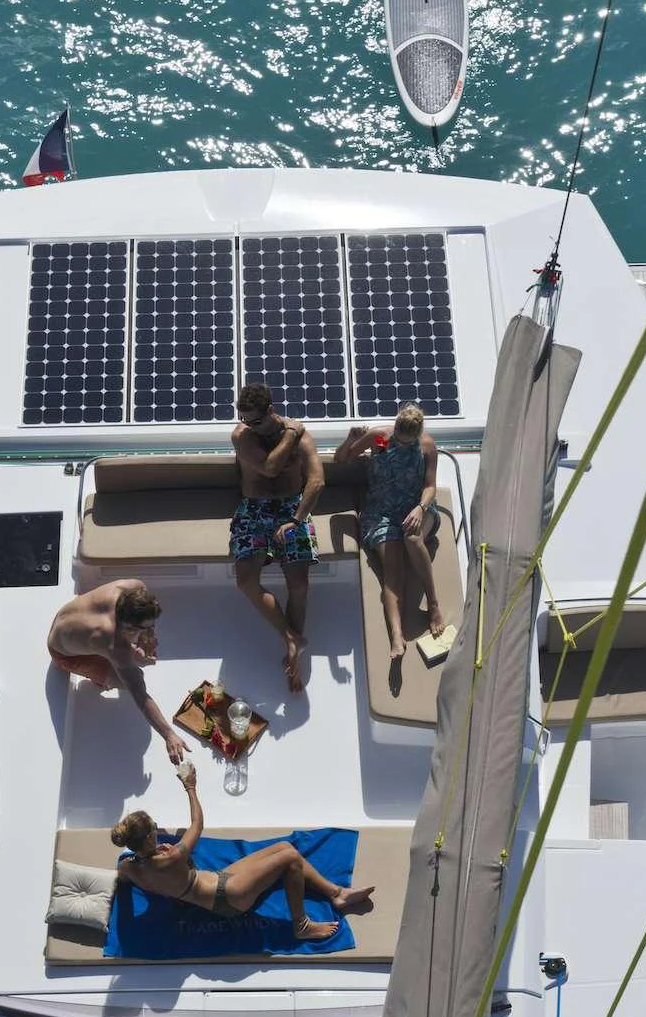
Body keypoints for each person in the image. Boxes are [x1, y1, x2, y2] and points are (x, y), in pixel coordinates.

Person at [111, 761, 373, 941]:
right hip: (230, 899)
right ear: (147, 837)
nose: (158, 829)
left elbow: (122, 879)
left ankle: (336, 893)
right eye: (154, 828)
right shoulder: (172, 856)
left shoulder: (129, 866)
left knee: (284, 847)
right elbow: (197, 824)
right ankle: (301, 926)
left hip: (217, 885)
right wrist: (190, 787)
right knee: (291, 858)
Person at [229, 381, 325, 692]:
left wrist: (296, 521)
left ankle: (293, 655)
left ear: (271, 410)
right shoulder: (242, 436)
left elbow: (316, 482)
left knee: (298, 584)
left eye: (255, 420)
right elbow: (270, 468)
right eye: (244, 419)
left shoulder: (302, 437)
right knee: (245, 581)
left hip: (291, 509)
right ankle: (291, 637)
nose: (248, 426)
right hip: (254, 509)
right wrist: (291, 433)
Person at [334, 404, 446, 661]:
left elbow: (430, 486)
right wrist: (350, 441)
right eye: (398, 436)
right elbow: (342, 459)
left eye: (407, 440)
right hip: (381, 512)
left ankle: (434, 604)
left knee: (413, 537)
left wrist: (420, 508)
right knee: (392, 570)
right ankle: (397, 635)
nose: (400, 442)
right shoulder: (380, 438)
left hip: (417, 507)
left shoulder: (427, 446)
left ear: (418, 435)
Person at [48, 579, 192, 764]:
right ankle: (100, 678)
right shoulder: (114, 645)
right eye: (144, 628)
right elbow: (139, 694)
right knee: (130, 677)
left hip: (63, 617)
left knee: (133, 658)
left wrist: (146, 635)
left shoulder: (130, 588)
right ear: (129, 628)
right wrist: (169, 734)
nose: (150, 630)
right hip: (63, 655)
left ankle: (118, 652)